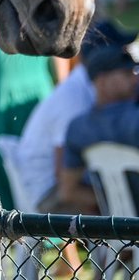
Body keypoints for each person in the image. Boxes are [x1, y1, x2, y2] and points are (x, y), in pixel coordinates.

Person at [17, 19, 136, 212]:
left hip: (67, 182)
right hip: (50, 194)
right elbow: (64, 181)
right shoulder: (74, 101)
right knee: (123, 197)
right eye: (121, 51)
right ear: (103, 60)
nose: (126, 54)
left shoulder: (90, 85)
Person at [0, 9, 67, 209]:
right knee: (40, 169)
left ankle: (0, 233)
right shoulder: (44, 12)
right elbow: (60, 74)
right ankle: (49, 234)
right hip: (38, 99)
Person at [56, 37, 139, 212]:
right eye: (126, 74)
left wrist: (117, 202)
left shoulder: (78, 128)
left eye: (135, 72)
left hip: (114, 231)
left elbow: (68, 192)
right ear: (100, 81)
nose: (134, 80)